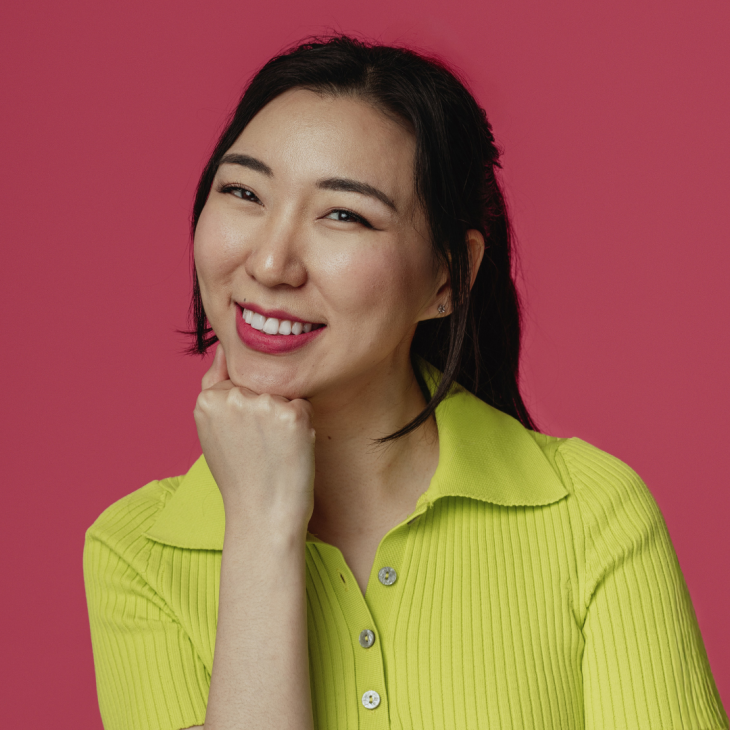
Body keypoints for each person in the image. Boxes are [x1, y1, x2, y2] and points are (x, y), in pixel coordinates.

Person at [83, 35, 728, 730]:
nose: (270, 262)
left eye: (344, 215)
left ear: (448, 277)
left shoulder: (591, 517)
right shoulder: (137, 551)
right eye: (243, 192)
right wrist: (263, 530)